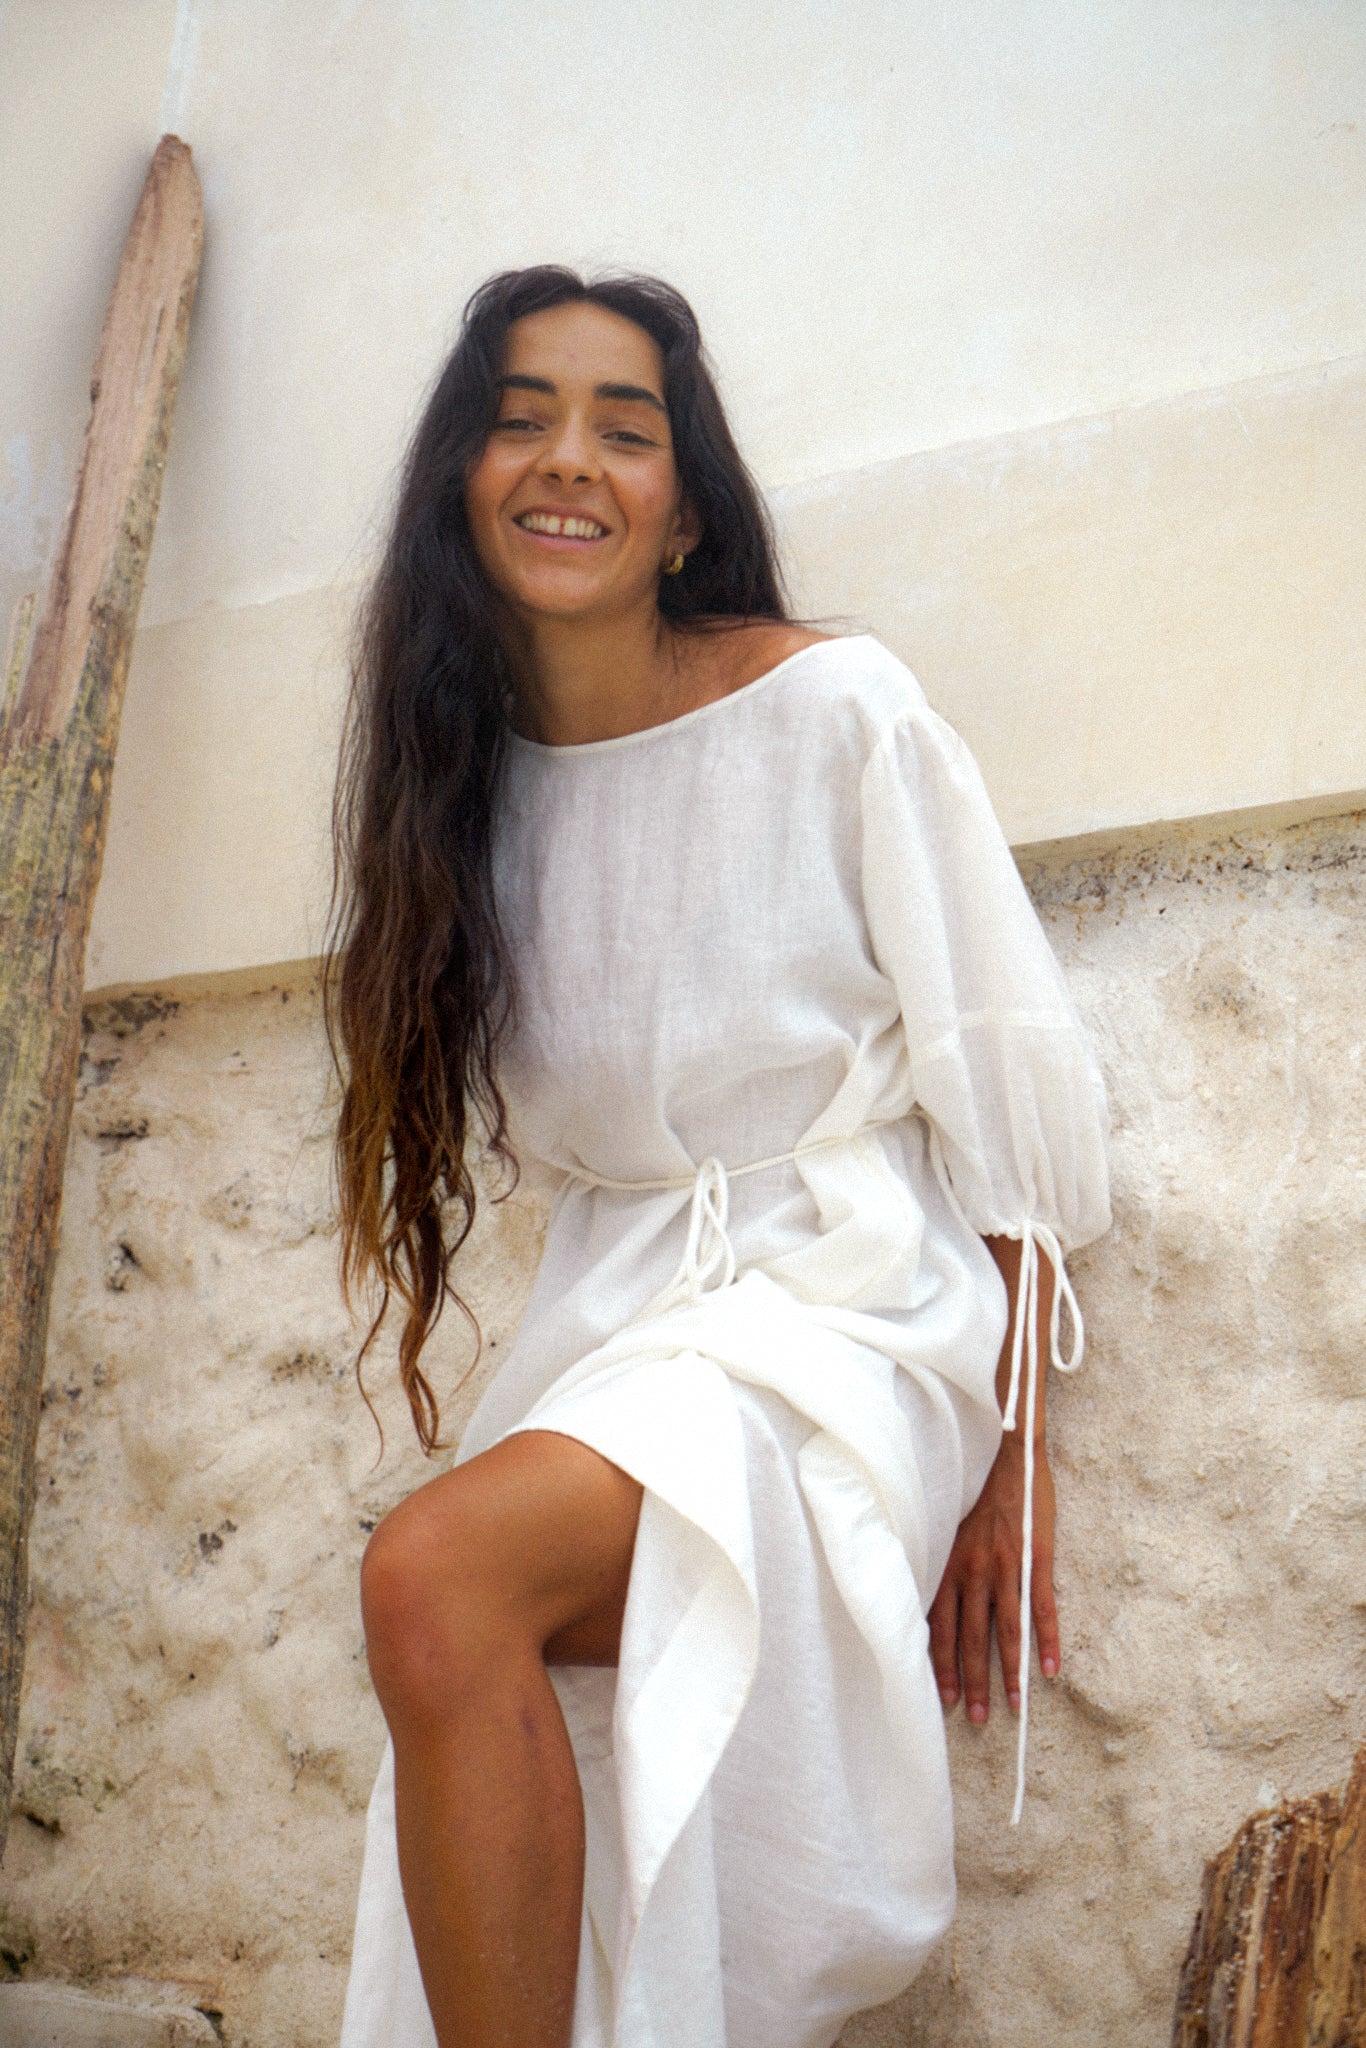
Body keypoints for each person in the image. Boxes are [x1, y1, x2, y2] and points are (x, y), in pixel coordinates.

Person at [329, 266, 1111, 2048]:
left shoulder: (839, 708)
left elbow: (1004, 1085)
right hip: (627, 1330)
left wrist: (1007, 1465)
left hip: (844, 1309)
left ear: (685, 507)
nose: (569, 460)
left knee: (429, 1575)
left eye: (625, 425)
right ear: (460, 477)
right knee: (489, 1662)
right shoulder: (464, 793)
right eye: (520, 416)